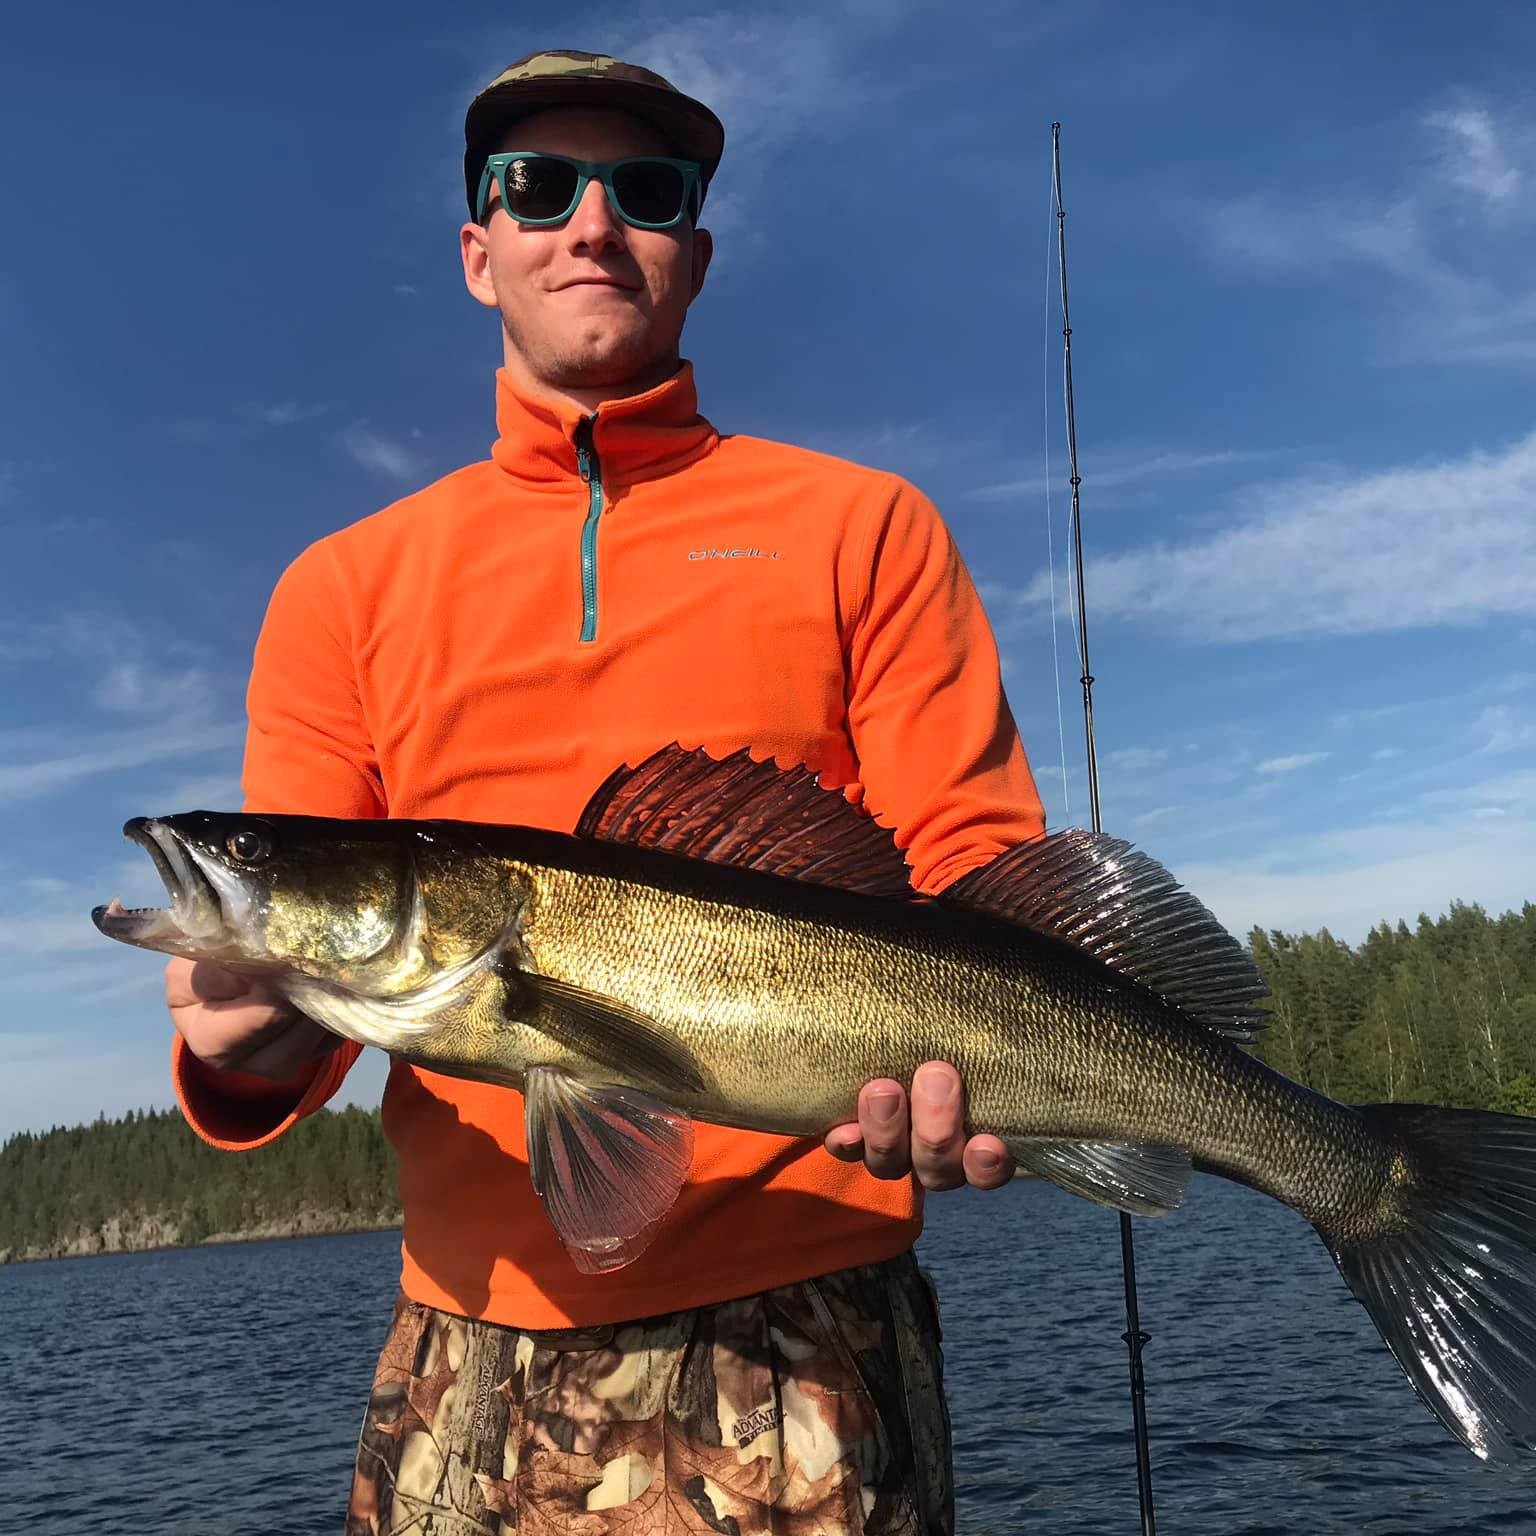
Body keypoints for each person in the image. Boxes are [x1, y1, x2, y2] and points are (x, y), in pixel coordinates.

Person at [165, 50, 1046, 1536]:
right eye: (535, 187)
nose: (588, 224)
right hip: (466, 1354)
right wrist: (244, 1034)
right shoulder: (339, 590)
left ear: (691, 255)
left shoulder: (864, 526)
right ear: (478, 252)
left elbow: (976, 870)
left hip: (810, 1340)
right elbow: (296, 1025)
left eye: (643, 192)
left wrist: (978, 1081)